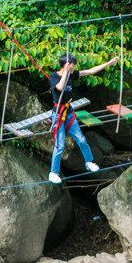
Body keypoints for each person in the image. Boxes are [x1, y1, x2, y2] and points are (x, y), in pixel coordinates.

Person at [48, 53, 118, 183]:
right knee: (60, 145)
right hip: (58, 114)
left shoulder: (72, 74)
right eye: (73, 65)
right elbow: (59, 88)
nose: (75, 68)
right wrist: (66, 73)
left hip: (69, 113)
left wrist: (109, 63)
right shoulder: (54, 76)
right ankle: (53, 172)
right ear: (67, 65)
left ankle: (89, 162)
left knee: (81, 139)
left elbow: (90, 71)